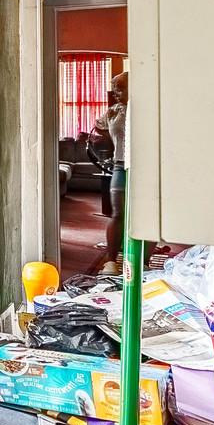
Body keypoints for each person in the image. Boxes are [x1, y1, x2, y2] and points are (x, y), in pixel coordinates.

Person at [92, 71, 128, 274]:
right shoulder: (113, 111)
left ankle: (145, 264)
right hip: (120, 166)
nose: (116, 93)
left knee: (145, 216)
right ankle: (112, 262)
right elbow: (98, 128)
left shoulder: (149, 108)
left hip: (146, 169)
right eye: (114, 90)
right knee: (117, 214)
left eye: (120, 88)